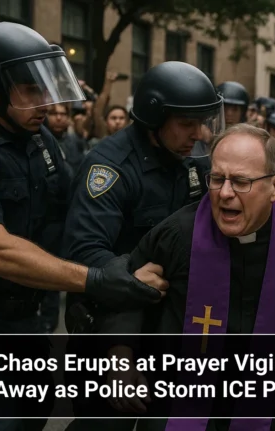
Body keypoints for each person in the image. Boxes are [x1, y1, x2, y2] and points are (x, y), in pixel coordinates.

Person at [100, 124, 275, 430]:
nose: (224, 193)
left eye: (240, 182)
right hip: (179, 394)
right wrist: (120, 357)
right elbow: (129, 293)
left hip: (272, 400)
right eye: (217, 178)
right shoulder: (179, 233)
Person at [0, 22, 162, 430]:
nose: (45, 102)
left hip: (31, 319)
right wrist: (94, 279)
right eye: (31, 90)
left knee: (31, 417)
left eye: (47, 88)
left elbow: (76, 213)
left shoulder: (40, 140)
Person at [61, 61, 220, 333]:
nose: (197, 134)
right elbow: (84, 249)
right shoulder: (110, 168)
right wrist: (130, 275)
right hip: (111, 318)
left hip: (172, 317)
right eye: (186, 123)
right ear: (155, 119)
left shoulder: (193, 160)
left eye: (201, 123)